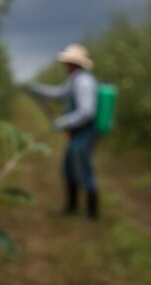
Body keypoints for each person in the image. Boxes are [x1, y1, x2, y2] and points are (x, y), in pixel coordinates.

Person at [27, 44, 100, 220]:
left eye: (67, 62)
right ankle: (71, 206)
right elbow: (59, 94)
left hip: (85, 132)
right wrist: (38, 89)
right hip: (76, 132)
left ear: (74, 63)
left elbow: (87, 111)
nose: (65, 65)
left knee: (83, 168)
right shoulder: (74, 79)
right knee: (69, 167)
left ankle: (92, 213)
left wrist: (64, 121)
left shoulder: (84, 82)